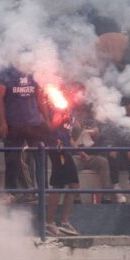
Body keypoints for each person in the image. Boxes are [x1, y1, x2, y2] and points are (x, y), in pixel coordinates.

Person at [0, 54, 50, 201]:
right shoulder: (6, 72)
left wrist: (46, 119)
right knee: (12, 158)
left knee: (40, 156)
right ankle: (13, 191)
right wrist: (2, 122)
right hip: (14, 123)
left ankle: (42, 189)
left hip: (34, 123)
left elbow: (40, 98)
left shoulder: (34, 72)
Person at [45, 97, 80, 236]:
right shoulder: (58, 107)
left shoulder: (69, 111)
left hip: (65, 150)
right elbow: (52, 126)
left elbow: (68, 136)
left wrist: (80, 151)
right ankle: (50, 222)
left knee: (73, 185)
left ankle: (63, 222)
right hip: (57, 149)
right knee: (59, 185)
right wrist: (61, 117)